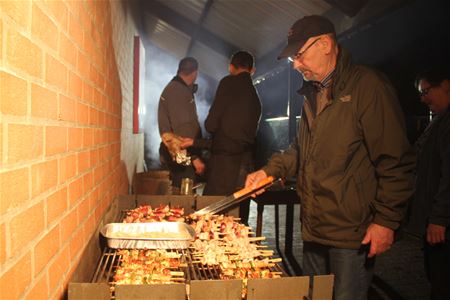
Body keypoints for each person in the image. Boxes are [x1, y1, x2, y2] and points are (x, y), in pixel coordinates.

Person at [245, 15, 415, 299]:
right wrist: (269, 171)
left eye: (299, 55)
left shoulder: (367, 88)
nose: (296, 65)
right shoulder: (313, 94)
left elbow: (395, 161)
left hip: (351, 233)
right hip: (314, 226)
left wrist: (386, 221)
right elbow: (300, 149)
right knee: (316, 295)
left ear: (325, 44)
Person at [182, 51, 262, 224]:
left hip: (224, 168)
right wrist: (196, 142)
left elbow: (211, 124)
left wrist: (197, 141)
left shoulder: (228, 83)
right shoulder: (255, 97)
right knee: (239, 221)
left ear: (231, 66)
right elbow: (239, 137)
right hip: (245, 166)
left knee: (213, 219)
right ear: (252, 70)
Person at [408, 67, 450, 300]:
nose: (423, 99)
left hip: (443, 228)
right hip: (436, 224)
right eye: (421, 94)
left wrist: (439, 219)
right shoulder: (439, 120)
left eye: (426, 91)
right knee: (435, 278)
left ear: (445, 85)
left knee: (442, 284)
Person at [158, 57, 205, 190]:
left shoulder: (177, 89)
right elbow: (184, 128)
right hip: (181, 158)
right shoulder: (178, 92)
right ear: (195, 73)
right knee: (184, 200)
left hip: (181, 156)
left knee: (181, 198)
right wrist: (194, 157)